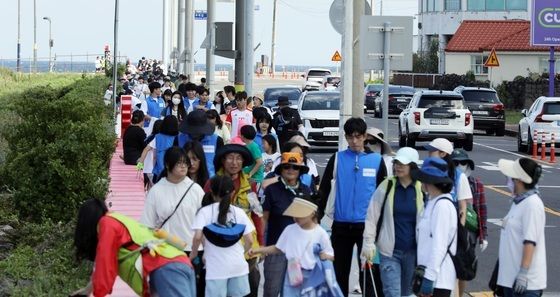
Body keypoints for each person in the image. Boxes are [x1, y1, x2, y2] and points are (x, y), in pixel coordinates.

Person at [317, 117, 387, 297]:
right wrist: (316, 220)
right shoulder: (338, 159)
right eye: (350, 137)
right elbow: (323, 190)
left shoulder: (377, 161)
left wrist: (381, 226)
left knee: (369, 275)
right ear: (345, 137)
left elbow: (383, 197)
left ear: (365, 136)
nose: (354, 141)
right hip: (341, 226)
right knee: (338, 274)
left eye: (358, 137)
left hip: (367, 228)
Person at [72, 199, 196, 297]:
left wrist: (98, 292)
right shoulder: (119, 220)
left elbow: (105, 261)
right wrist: (89, 289)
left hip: (164, 268)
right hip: (179, 263)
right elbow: (106, 265)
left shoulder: (106, 223)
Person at [140, 146, 205, 296]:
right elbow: (147, 224)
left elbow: (204, 222)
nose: (183, 166)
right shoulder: (156, 190)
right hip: (165, 252)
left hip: (192, 251)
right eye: (179, 163)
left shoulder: (196, 190)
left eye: (185, 163)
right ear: (168, 165)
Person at [362, 147, 423, 297]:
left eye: (403, 163)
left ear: (413, 166)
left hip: (414, 253)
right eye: (396, 162)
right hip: (389, 252)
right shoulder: (386, 186)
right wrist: (368, 242)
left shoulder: (422, 188)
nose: (398, 166)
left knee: (408, 293)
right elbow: (372, 215)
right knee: (392, 293)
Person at [205, 144, 264, 297]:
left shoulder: (250, 186)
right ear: (223, 160)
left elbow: (257, 215)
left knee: (251, 287)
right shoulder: (212, 184)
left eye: (238, 158)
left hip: (247, 249)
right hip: (219, 249)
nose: (234, 162)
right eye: (230, 158)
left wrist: (262, 244)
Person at [249, 198, 338, 297]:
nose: (296, 218)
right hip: (293, 273)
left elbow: (331, 256)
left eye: (300, 215)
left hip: (313, 276)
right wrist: (258, 250)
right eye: (295, 214)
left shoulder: (321, 233)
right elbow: (278, 248)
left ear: (312, 213)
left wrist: (325, 256)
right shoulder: (290, 229)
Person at [191, 175, 255, 297]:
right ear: (232, 192)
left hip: (216, 269)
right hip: (238, 266)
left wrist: (193, 254)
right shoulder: (239, 212)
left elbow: (198, 237)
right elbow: (250, 241)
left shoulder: (204, 211)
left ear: (211, 192)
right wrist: (242, 253)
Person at [260, 152, 313, 297]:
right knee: (271, 290)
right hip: (275, 248)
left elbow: (311, 221)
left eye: (295, 167)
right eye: (287, 167)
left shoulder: (306, 190)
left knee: (293, 291)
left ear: (300, 171)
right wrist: (261, 245)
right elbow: (264, 219)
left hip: (298, 252)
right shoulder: (271, 190)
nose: (291, 170)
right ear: (281, 169)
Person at [497, 158, 546, 297]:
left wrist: (523, 273)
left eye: (511, 177)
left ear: (518, 180)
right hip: (510, 280)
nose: (508, 180)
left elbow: (530, 242)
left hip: (525, 286)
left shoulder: (532, 204)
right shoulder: (518, 201)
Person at [411, 157, 458, 297]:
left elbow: (440, 245)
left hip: (438, 280)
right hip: (428, 275)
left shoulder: (443, 206)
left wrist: (429, 278)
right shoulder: (431, 202)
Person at [451, 149, 489, 297]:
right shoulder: (446, 182)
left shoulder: (476, 184)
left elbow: (482, 210)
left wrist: (483, 235)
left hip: (468, 231)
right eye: (456, 163)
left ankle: (459, 294)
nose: (460, 165)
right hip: (450, 228)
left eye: (463, 162)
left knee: (463, 267)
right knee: (450, 267)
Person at [425, 138, 472, 227]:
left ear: (443, 154)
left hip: (449, 224)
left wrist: (460, 229)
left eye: (432, 151)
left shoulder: (459, 176)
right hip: (428, 221)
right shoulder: (428, 172)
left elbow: (463, 207)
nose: (429, 154)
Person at [178, 110, 224, 177]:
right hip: (184, 179)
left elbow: (219, 163)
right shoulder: (179, 139)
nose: (195, 134)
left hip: (209, 181)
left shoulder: (217, 140)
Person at [137, 115, 179, 184]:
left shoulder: (157, 137)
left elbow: (146, 150)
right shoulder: (177, 138)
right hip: (174, 171)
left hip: (159, 170)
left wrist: (139, 166)